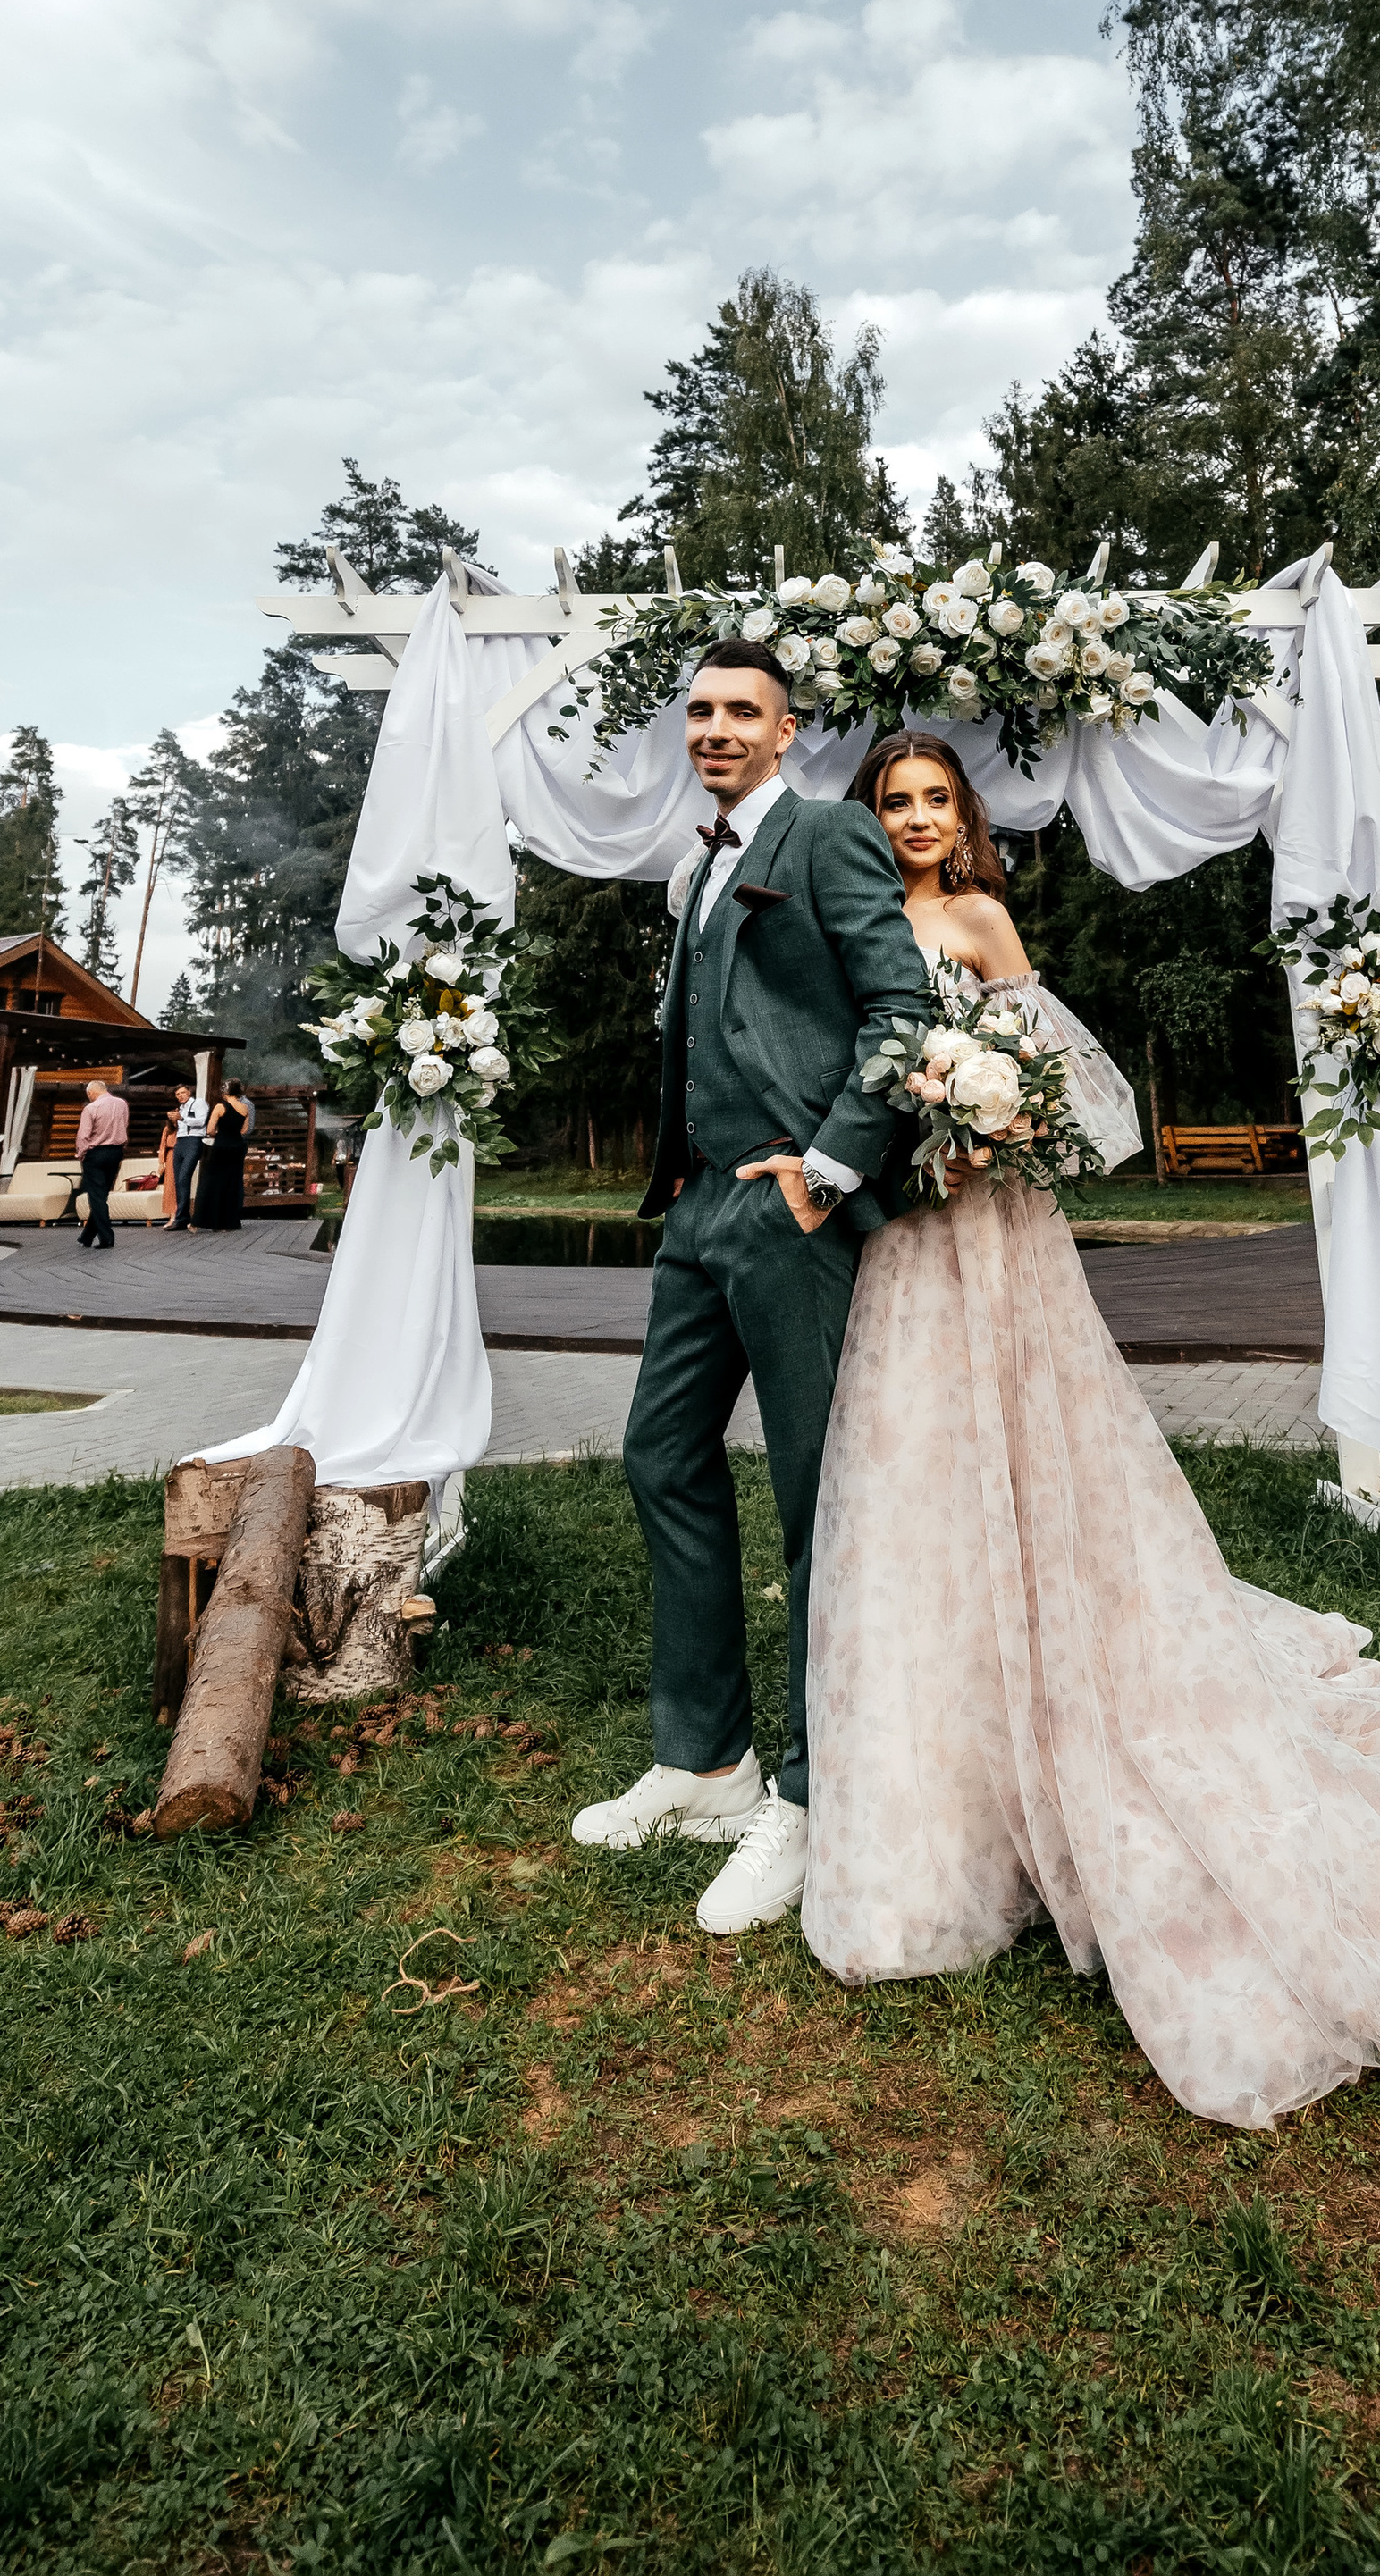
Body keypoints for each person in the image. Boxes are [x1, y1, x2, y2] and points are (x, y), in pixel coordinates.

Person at [796, 730, 1380, 2131]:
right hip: (903, 1239)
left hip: (1002, 1232)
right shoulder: (849, 921)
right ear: (869, 814)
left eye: (932, 799)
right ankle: (935, 1786)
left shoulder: (977, 916)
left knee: (1032, 1448)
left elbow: (1068, 1077)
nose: (911, 818)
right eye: (891, 799)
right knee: (912, 1477)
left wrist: (996, 1120)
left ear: (964, 817)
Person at [566, 638, 929, 1935]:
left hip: (794, 1210)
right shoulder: (698, 864)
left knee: (813, 1497)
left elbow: (901, 1006)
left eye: (743, 712)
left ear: (787, 733)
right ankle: (702, 1758)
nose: (716, 727)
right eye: (700, 710)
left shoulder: (830, 835)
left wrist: (828, 1166)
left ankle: (811, 1790)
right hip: (699, 1206)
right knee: (659, 1453)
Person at [72, 1078, 129, 1251]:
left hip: (95, 1154)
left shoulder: (91, 1108)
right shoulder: (122, 1104)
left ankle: (106, 1237)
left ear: (91, 1093)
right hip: (116, 1151)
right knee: (102, 1196)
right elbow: (124, 1125)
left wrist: (81, 1154)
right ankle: (87, 1236)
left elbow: (83, 1135)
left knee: (96, 1196)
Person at [190, 1079, 251, 1230]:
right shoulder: (245, 1108)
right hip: (237, 1147)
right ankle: (228, 1222)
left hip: (221, 1146)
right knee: (232, 1183)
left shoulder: (220, 1107)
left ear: (224, 1092)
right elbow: (244, 1130)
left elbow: (210, 1129)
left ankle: (201, 1221)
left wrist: (218, 1132)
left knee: (210, 1182)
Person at [164, 1082, 210, 1231]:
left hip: (194, 1140)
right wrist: (173, 1120)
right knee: (178, 1180)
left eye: (182, 1093)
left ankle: (183, 1217)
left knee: (184, 1177)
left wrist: (182, 1118)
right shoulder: (181, 1109)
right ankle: (181, 1218)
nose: (180, 1096)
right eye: (177, 1094)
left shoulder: (199, 1103)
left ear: (189, 1093)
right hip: (181, 1141)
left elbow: (201, 1121)